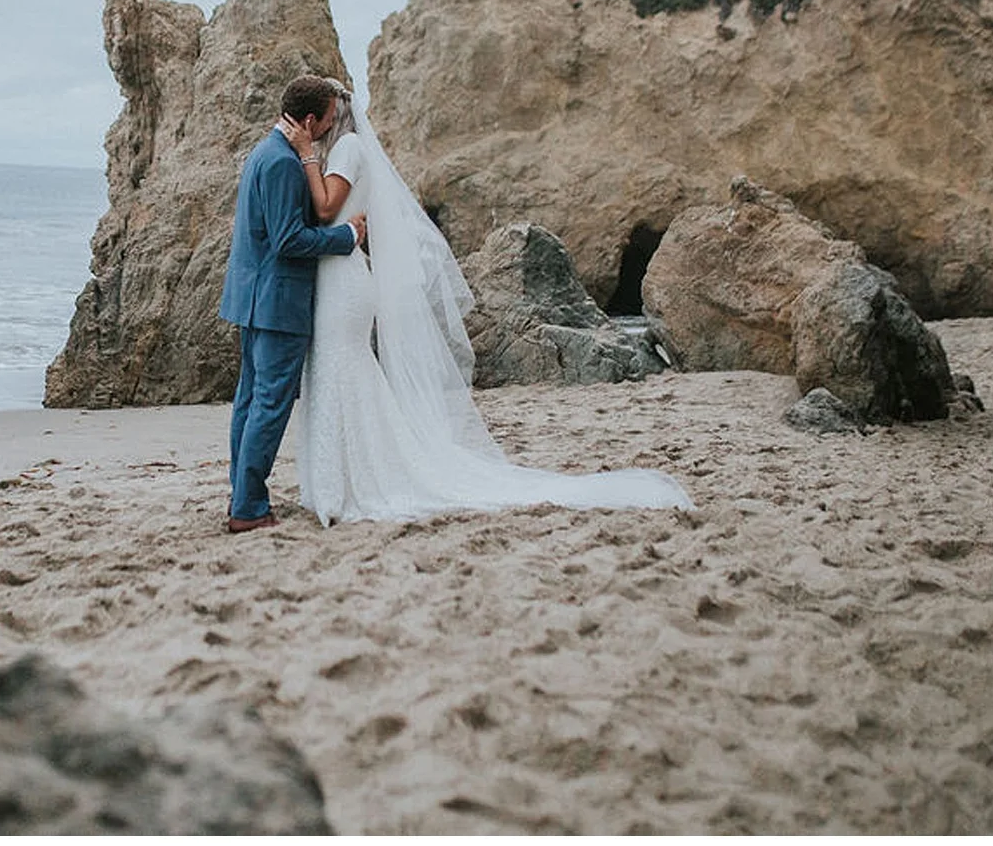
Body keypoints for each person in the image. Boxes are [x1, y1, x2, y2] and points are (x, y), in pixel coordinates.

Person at [280, 83, 694, 524]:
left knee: (342, 369)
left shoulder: (346, 148)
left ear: (329, 116)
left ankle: (352, 481)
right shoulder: (343, 149)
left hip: (344, 283)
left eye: (319, 119)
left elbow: (326, 211)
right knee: (337, 370)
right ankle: (338, 479)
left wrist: (305, 154)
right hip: (338, 276)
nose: (315, 127)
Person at [218, 76, 368, 534]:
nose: (327, 127)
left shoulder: (265, 151)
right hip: (277, 300)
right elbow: (288, 240)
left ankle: (243, 496)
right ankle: (247, 508)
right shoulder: (284, 164)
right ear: (309, 119)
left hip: (251, 296)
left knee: (249, 401)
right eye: (325, 119)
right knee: (268, 404)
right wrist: (347, 236)